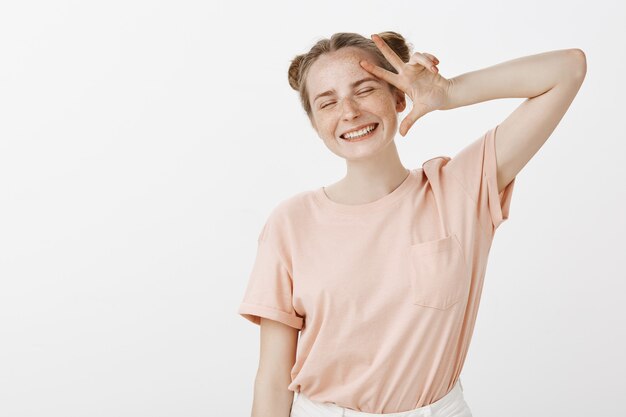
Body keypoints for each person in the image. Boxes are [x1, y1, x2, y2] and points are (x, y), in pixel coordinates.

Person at [237, 31, 586, 417]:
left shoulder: (458, 190)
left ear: (399, 96)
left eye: (365, 89)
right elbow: (271, 378)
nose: (349, 111)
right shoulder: (290, 222)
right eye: (328, 102)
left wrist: (449, 92)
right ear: (316, 123)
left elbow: (568, 68)